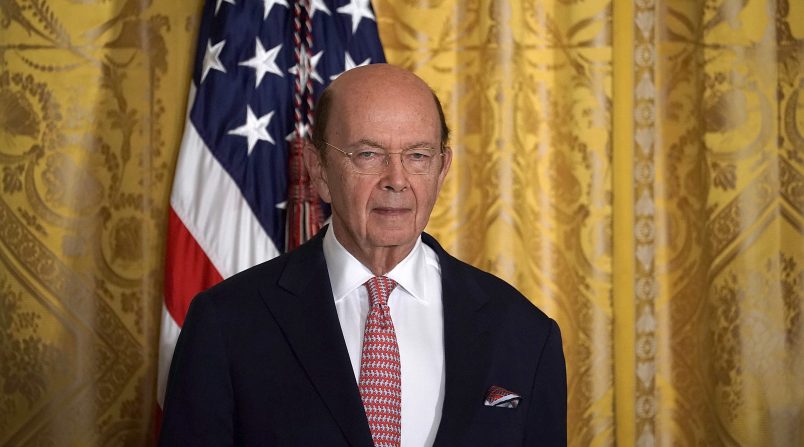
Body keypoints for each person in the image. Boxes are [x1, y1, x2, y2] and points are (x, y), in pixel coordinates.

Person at [159, 64, 566, 446]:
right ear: (318, 169)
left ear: (442, 170)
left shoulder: (523, 332)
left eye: (418, 156)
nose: (397, 180)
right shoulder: (227, 322)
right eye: (368, 154)